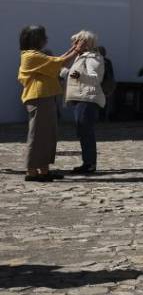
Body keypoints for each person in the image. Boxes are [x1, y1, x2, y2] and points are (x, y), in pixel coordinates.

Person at [18, 26, 82, 182]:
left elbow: (56, 62)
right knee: (38, 135)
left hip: (45, 97)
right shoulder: (30, 56)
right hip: (39, 98)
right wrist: (76, 50)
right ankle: (32, 171)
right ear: (36, 39)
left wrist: (73, 49)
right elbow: (59, 62)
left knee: (47, 135)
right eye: (43, 36)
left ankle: (44, 169)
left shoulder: (36, 55)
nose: (46, 39)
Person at [62, 31, 106, 174]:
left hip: (87, 99)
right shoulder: (81, 57)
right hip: (80, 98)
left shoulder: (94, 57)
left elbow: (95, 78)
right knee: (82, 132)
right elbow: (75, 75)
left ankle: (89, 164)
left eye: (77, 42)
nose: (74, 45)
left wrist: (79, 75)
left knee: (86, 132)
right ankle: (87, 162)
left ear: (85, 43)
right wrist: (64, 73)